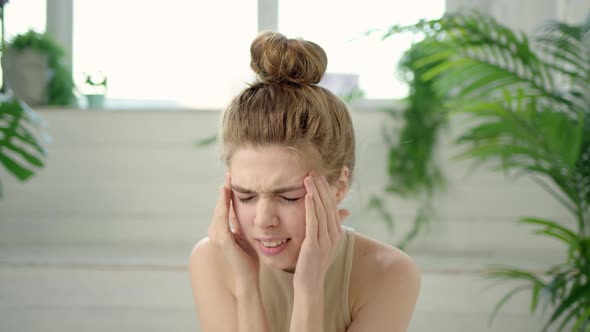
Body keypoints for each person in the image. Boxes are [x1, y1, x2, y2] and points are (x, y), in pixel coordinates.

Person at [189, 31, 421, 332]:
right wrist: (246, 285)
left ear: (338, 187)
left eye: (289, 197)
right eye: (246, 196)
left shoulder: (388, 273)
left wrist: (310, 288)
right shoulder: (214, 260)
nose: (263, 220)